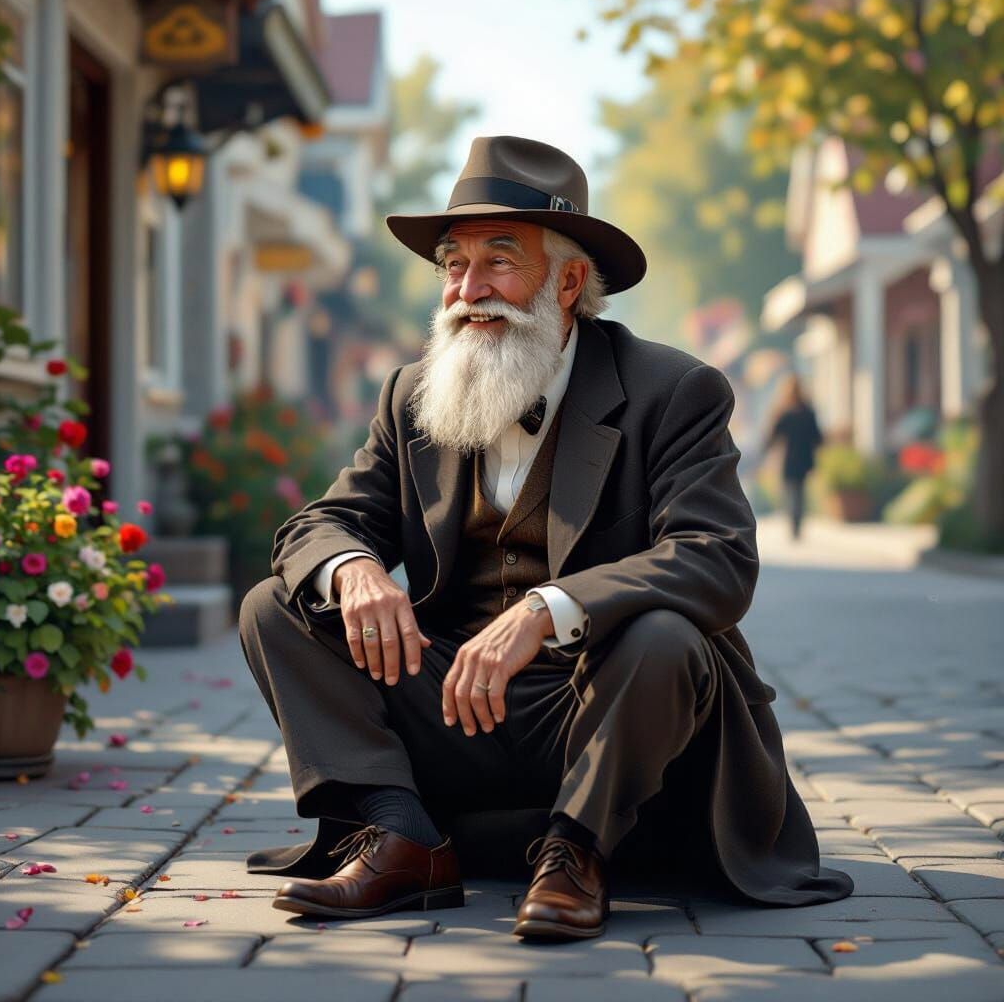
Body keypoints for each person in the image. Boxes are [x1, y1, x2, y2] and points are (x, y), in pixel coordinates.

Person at [238, 135, 853, 942]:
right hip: (455, 707)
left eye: (499, 261)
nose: (468, 289)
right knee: (276, 605)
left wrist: (547, 608)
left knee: (669, 635)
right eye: (453, 265)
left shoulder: (674, 391)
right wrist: (354, 568)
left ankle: (577, 852)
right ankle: (401, 836)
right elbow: (323, 522)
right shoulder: (411, 394)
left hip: (606, 715)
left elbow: (717, 557)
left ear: (568, 283)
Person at [762, 373, 824, 540]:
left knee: (791, 491)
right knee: (799, 491)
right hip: (804, 458)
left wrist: (765, 451)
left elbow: (772, 435)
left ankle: (793, 523)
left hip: (789, 458)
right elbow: (818, 437)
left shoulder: (785, 412)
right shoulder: (808, 412)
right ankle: (797, 524)